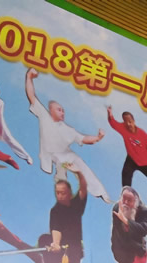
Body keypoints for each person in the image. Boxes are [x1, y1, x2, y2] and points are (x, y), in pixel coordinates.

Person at [25, 67, 109, 202]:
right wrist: (29, 77)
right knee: (61, 163)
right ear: (51, 110)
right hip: (50, 153)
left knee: (78, 161)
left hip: (65, 154)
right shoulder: (45, 116)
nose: (62, 112)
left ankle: (100, 192)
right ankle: (62, 188)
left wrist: (98, 138)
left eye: (63, 110)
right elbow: (31, 96)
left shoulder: (67, 129)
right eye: (59, 110)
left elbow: (84, 139)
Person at [107, 107, 147, 191]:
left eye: (130, 122)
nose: (128, 124)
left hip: (144, 162)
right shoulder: (123, 128)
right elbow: (113, 124)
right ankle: (126, 192)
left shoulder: (143, 135)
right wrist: (110, 114)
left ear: (134, 121)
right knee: (125, 173)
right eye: (125, 122)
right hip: (131, 159)